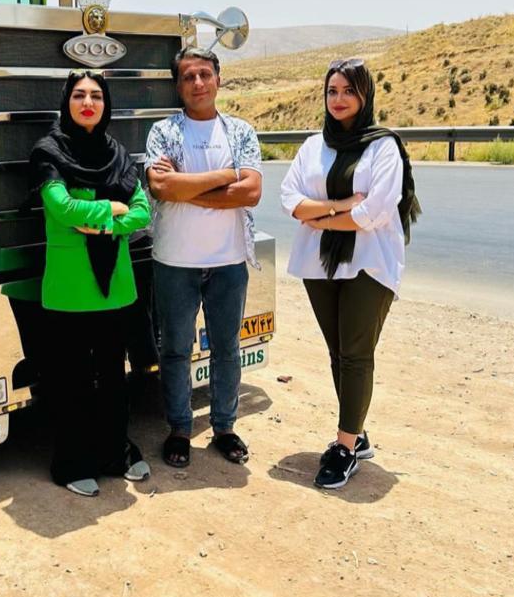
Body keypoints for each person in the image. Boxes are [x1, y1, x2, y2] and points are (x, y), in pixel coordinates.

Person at [279, 58, 420, 489]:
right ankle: (356, 432)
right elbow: (290, 198)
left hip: (369, 263)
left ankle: (344, 447)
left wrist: (320, 219)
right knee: (338, 352)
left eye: (348, 91)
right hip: (320, 263)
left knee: (356, 353)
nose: (338, 100)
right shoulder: (311, 146)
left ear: (365, 94)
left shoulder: (383, 147)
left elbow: (375, 211)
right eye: (332, 91)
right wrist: (339, 208)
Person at [29, 70, 152, 496]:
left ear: (106, 104)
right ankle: (72, 463)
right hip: (70, 288)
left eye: (96, 96)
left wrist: (98, 221)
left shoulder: (117, 153)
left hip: (114, 286)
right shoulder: (48, 151)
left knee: (114, 378)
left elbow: (141, 213)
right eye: (79, 95)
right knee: (73, 381)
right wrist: (112, 210)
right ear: (67, 101)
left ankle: (116, 452)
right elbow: (60, 208)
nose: (88, 102)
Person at [145, 47, 263, 469]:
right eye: (189, 76)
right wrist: (227, 176)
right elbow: (162, 189)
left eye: (205, 75)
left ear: (218, 79)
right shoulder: (162, 131)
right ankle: (179, 429)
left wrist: (188, 186)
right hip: (175, 261)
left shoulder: (241, 132)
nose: (198, 83)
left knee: (227, 348)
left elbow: (251, 193)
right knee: (175, 348)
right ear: (178, 85)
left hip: (229, 260)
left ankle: (224, 427)